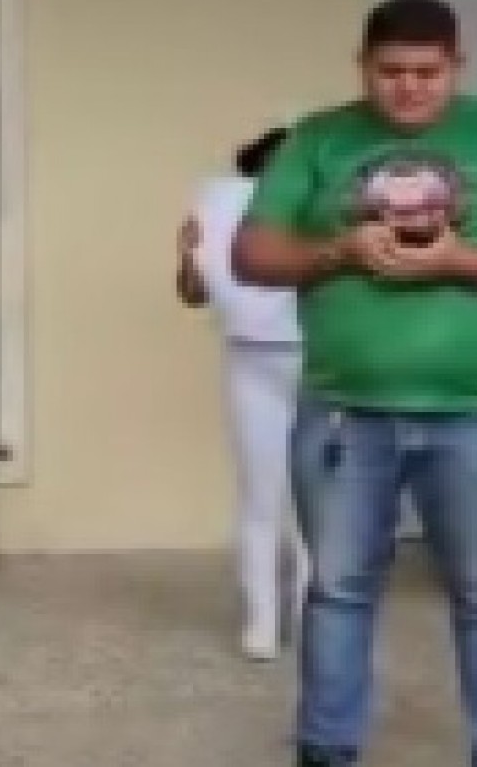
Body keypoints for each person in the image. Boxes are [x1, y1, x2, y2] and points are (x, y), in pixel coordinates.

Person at [233, 0, 477, 767]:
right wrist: (337, 252)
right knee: (340, 591)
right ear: (363, 66)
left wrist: (459, 259)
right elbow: (251, 255)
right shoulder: (320, 139)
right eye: (391, 71)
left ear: (457, 65)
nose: (410, 87)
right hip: (344, 418)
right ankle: (327, 751)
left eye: (428, 71)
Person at [178, 127, 308, 662]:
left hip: (319, 361)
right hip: (251, 358)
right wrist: (188, 256)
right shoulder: (224, 205)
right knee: (259, 496)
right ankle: (260, 620)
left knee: (314, 503)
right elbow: (192, 294)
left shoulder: (323, 206)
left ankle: (310, 617)